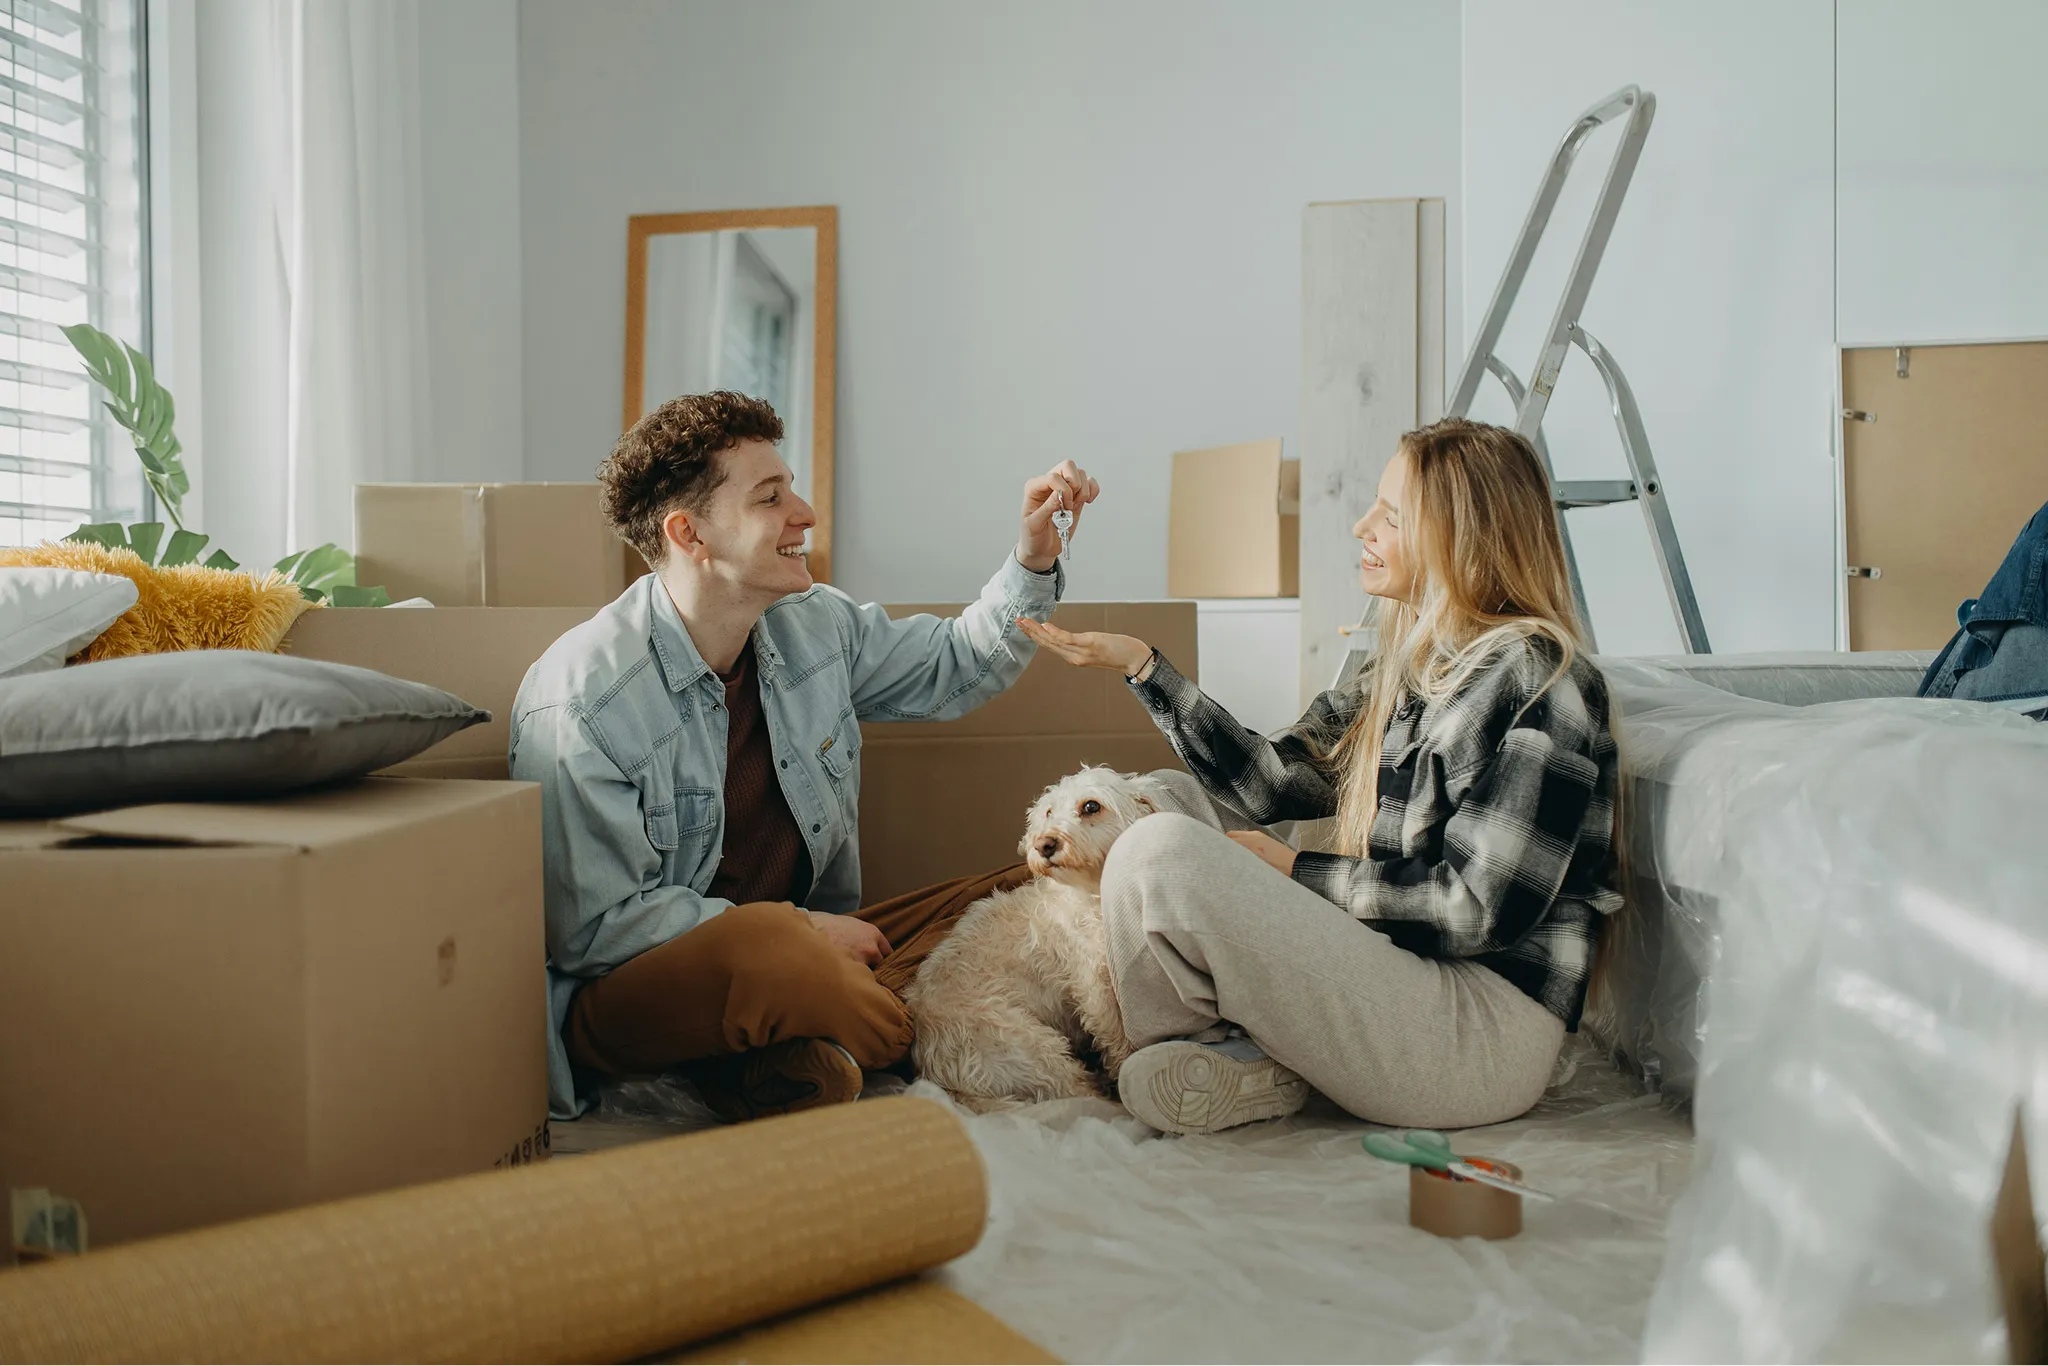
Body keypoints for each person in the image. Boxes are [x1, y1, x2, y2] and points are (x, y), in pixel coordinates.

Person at [1020, 416, 1623, 1136]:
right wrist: (1142, 665)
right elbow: (1273, 784)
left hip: (1478, 1034)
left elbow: (1477, 911)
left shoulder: (1540, 679)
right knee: (1165, 798)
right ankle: (1233, 1054)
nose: (1362, 526)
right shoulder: (1410, 669)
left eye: (1391, 516)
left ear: (1461, 539)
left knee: (1156, 848)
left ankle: (1224, 1044)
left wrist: (1293, 871)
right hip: (1405, 974)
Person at [513, 390, 1098, 1124]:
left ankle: (795, 1055)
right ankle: (905, 1024)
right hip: (650, 989)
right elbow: (594, 929)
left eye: (790, 488)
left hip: (813, 948)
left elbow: (956, 664)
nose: (806, 513)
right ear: (690, 533)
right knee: (774, 954)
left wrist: (1033, 558)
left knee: (1041, 883)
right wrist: (803, 929)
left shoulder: (812, 624)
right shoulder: (585, 701)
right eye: (770, 497)